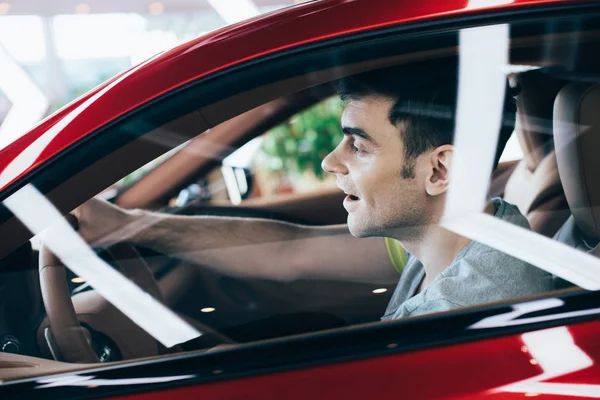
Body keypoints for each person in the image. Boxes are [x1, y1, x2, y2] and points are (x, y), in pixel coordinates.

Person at [73, 61, 554, 320]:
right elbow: (291, 251)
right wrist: (130, 225)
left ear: (439, 170)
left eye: (359, 146)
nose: (330, 162)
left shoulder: (457, 316)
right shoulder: (477, 231)